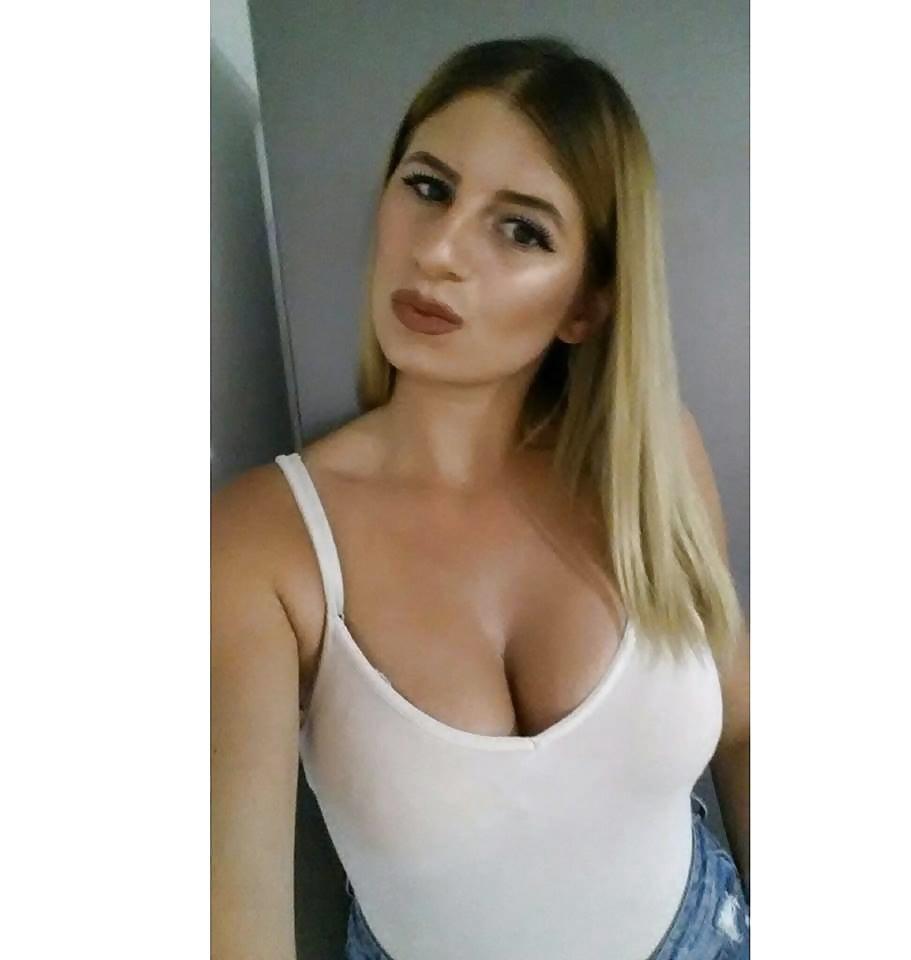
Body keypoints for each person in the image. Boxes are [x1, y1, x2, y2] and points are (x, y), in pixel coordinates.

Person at [212, 36, 750, 960]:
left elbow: (744, 724)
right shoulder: (263, 546)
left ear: (586, 306)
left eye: (522, 230)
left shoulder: (651, 459)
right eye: (428, 187)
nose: (439, 250)